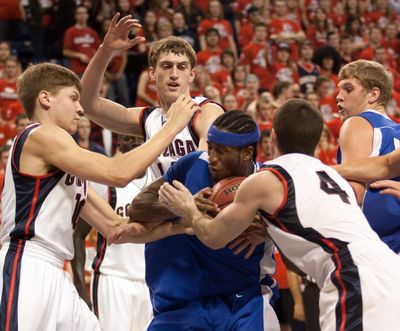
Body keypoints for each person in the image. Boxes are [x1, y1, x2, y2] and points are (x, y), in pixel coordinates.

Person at [158, 99, 400, 330]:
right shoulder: (332, 176)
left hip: (351, 275)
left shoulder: (267, 178)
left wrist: (187, 207)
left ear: (272, 136)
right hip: (388, 266)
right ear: (316, 142)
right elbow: (304, 245)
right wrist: (270, 231)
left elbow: (213, 236)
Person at [0, 58, 197, 330]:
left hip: (56, 270)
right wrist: (171, 127)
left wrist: (183, 226)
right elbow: (118, 172)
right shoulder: (40, 134)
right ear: (45, 98)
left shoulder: (66, 161)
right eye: (73, 98)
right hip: (27, 261)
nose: (81, 108)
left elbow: (117, 228)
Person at [123, 111, 280, 331]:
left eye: (221, 152)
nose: (212, 158)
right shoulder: (193, 164)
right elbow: (138, 209)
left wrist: (271, 229)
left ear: (247, 153)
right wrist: (180, 206)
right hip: (183, 303)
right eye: (211, 148)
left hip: (244, 301)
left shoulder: (269, 183)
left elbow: (303, 247)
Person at [81, 14, 224, 180]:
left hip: (198, 202)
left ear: (192, 75)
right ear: (152, 73)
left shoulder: (205, 110)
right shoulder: (149, 119)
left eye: (182, 67)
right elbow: (87, 104)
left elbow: (205, 160)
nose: (174, 74)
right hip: (164, 202)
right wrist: (105, 51)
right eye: (166, 66)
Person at [72, 135, 153, 331]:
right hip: (113, 279)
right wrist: (81, 289)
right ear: (120, 146)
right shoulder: (105, 183)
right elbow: (78, 235)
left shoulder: (159, 179)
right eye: (129, 136)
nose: (135, 140)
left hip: (150, 283)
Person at [336, 59, 400, 253]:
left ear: (373, 95)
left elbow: (354, 196)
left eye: (348, 89)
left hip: (379, 248)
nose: (338, 97)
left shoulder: (357, 123)